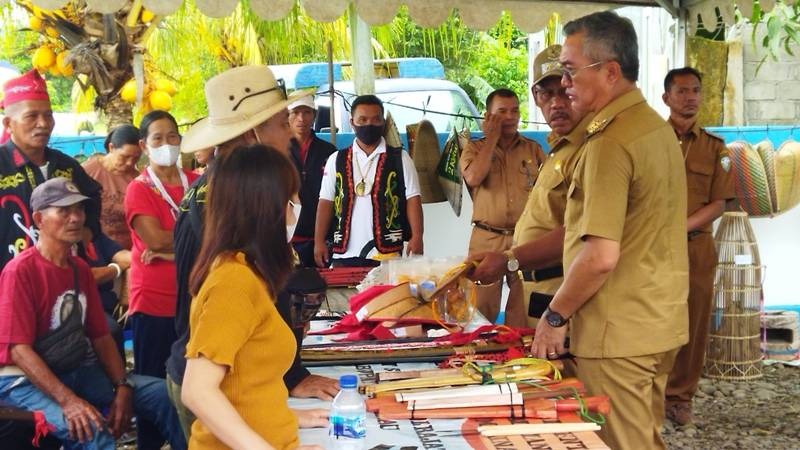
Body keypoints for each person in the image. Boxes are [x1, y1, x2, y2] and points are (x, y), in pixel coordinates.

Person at [529, 12, 689, 450]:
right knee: (642, 436)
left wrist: (555, 316)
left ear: (610, 71)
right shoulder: (653, 128)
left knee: (620, 444)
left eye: (570, 69)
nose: (564, 83)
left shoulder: (610, 143)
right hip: (656, 322)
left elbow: (599, 256)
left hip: (616, 333)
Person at [170, 65, 339, 439]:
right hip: (218, 383)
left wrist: (280, 414)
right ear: (252, 133)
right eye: (282, 123)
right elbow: (206, 372)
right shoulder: (224, 226)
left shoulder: (223, 195)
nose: (290, 135)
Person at [0, 177, 185, 450]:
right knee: (91, 430)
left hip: (75, 368)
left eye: (79, 210)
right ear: (39, 219)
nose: (75, 218)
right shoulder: (21, 271)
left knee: (164, 395)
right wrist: (69, 401)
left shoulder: (79, 269)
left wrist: (122, 385)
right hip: (23, 380)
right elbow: (19, 350)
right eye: (63, 211)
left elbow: (100, 335)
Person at [181, 145, 326, 450]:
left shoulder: (248, 273)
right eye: (292, 199)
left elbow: (245, 384)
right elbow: (197, 390)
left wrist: (286, 418)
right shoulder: (233, 282)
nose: (296, 208)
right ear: (268, 209)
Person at [468, 46, 591, 329]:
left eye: (565, 91)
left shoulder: (585, 149)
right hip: (500, 250)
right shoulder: (556, 150)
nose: (557, 103)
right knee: (483, 320)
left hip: (558, 288)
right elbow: (474, 177)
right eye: (547, 94)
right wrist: (491, 137)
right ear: (536, 98)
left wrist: (510, 259)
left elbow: (578, 232)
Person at [662, 67, 735, 426]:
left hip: (696, 247)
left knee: (694, 322)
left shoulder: (715, 148)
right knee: (651, 316)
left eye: (695, 91)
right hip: (651, 249)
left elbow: (718, 204)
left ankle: (679, 399)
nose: (690, 97)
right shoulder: (650, 140)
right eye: (682, 91)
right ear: (666, 98)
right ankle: (648, 394)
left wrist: (678, 228)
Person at [0, 69, 101, 271]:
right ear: (9, 124)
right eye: (32, 116)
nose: (43, 124)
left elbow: (93, 200)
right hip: (10, 282)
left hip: (65, 278)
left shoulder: (67, 166)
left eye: (48, 115)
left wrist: (87, 231)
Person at [124, 110, 199, 382]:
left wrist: (168, 254)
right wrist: (194, 241)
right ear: (144, 145)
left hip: (194, 297)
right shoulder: (139, 188)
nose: (166, 144)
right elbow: (153, 239)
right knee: (154, 382)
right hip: (155, 300)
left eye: (172, 137)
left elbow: (218, 234)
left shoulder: (196, 183)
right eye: (157, 139)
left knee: (192, 379)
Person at [460, 88, 545, 327]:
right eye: (501, 112)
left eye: (515, 111)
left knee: (522, 310)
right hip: (487, 237)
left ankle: (519, 360)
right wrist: (492, 139)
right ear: (487, 116)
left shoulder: (532, 149)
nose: (510, 117)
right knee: (480, 312)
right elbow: (474, 177)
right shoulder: (475, 148)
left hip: (524, 239)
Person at [314, 95, 424, 268]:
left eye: (375, 119)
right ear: (352, 122)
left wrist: (417, 236)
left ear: (383, 122)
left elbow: (413, 199)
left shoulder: (400, 158)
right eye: (362, 119)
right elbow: (326, 202)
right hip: (344, 252)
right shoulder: (336, 159)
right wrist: (319, 241)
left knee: (385, 295)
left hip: (387, 252)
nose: (369, 125)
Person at [288, 95, 337, 267]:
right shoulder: (277, 152)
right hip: (287, 239)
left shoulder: (329, 151)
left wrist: (322, 239)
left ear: (314, 115)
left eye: (307, 112)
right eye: (296, 112)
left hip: (321, 238)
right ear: (287, 116)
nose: (301, 118)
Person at [82, 124, 142, 249]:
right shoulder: (87, 172)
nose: (130, 163)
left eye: (136, 158)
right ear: (111, 147)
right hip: (94, 247)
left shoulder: (139, 180)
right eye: (124, 157)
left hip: (128, 248)